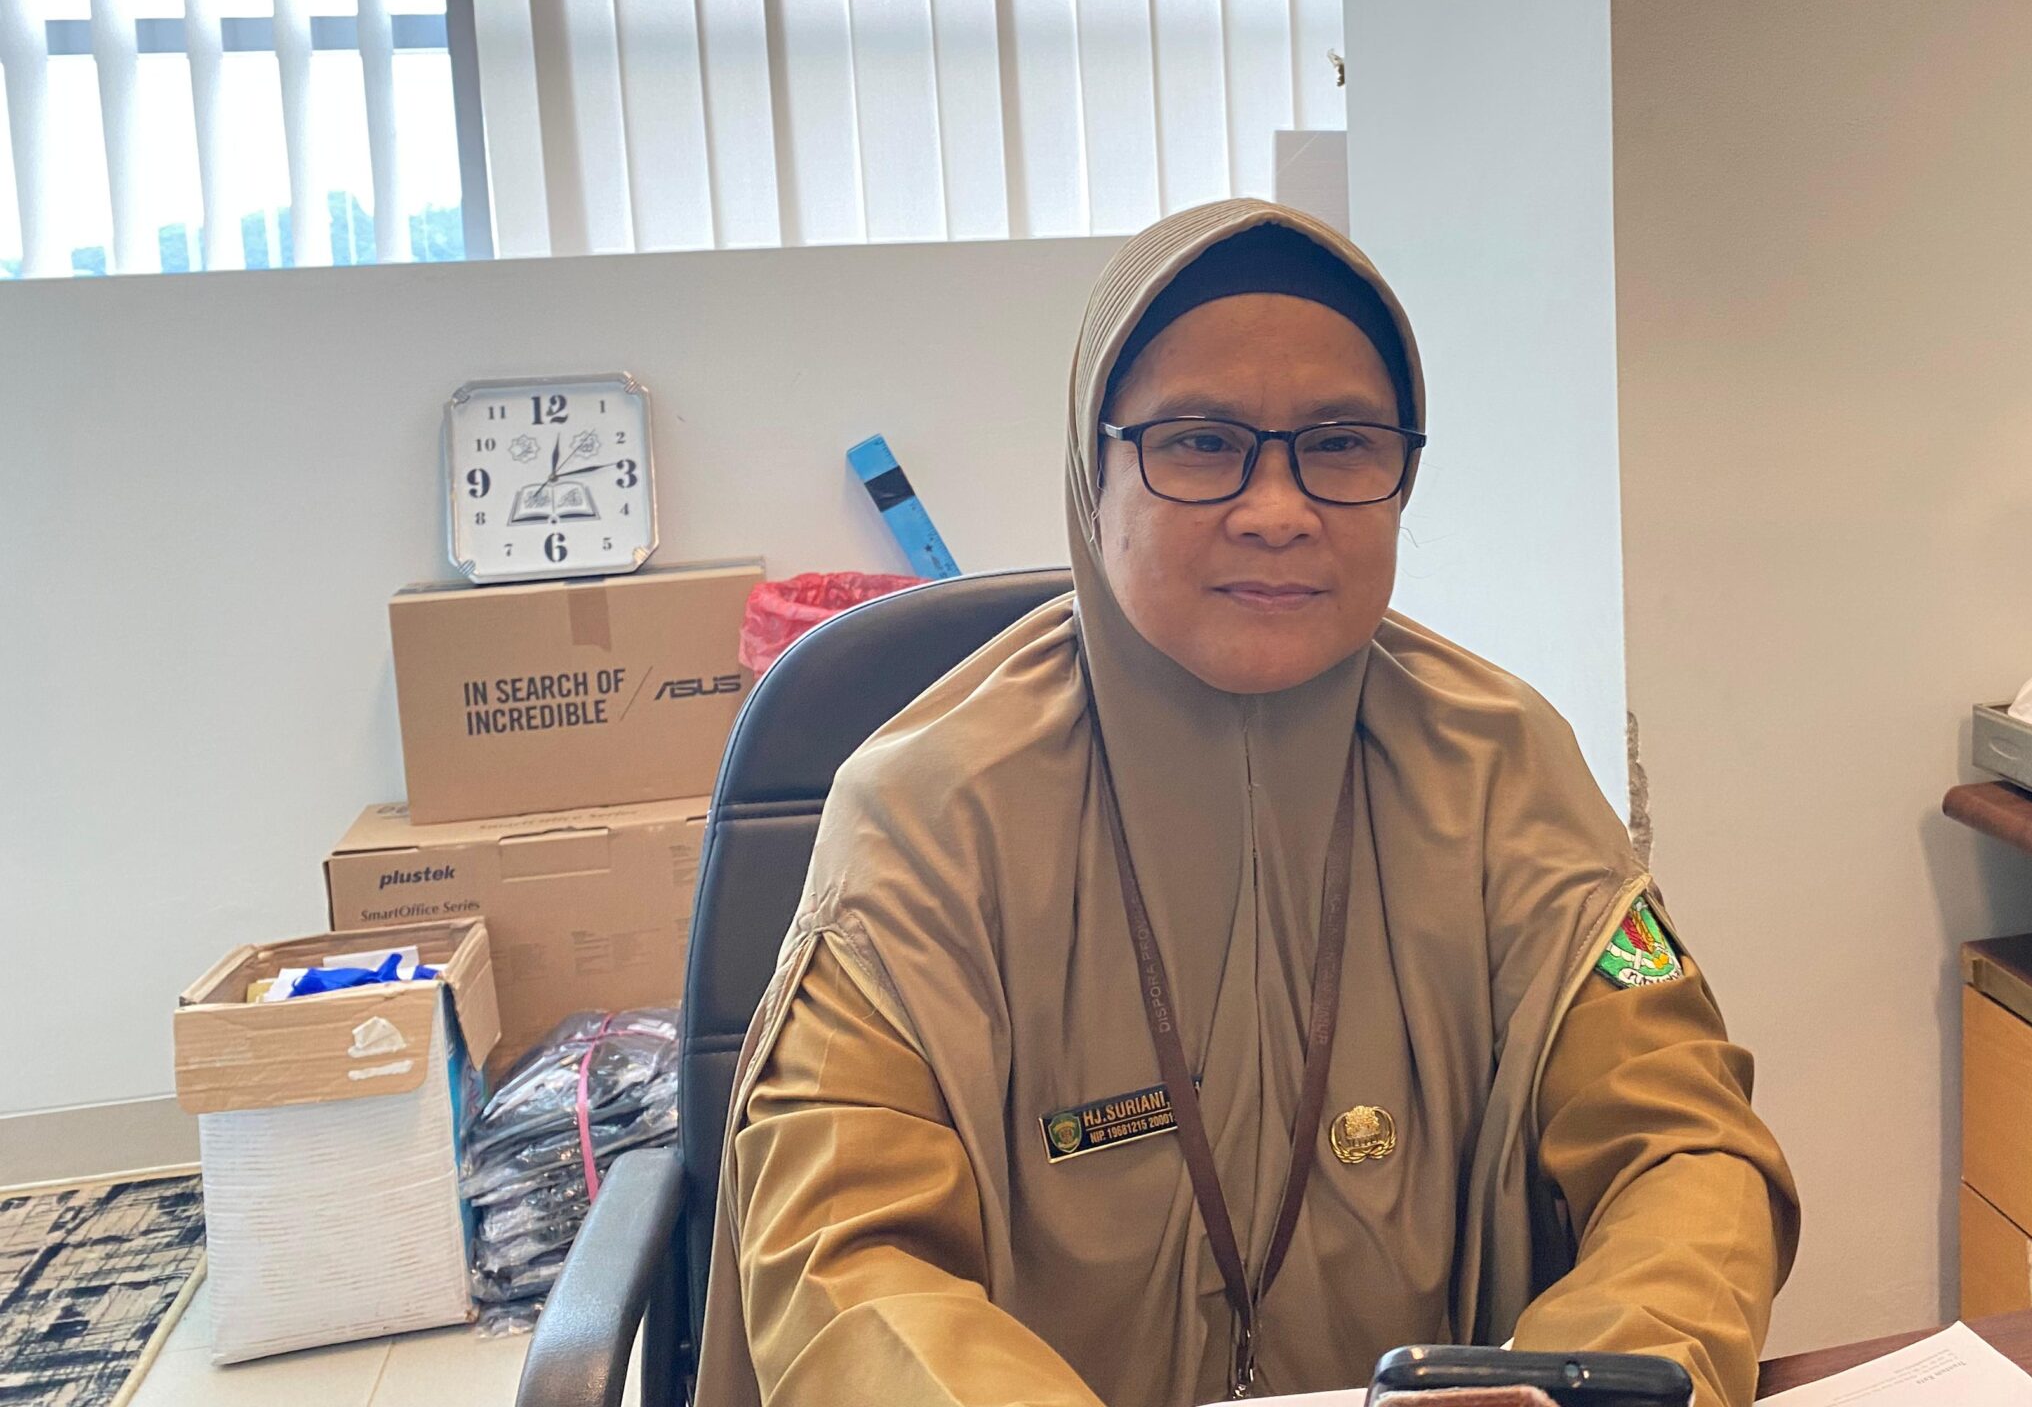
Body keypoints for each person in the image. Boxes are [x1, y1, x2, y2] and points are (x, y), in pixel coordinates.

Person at [693, 200, 1798, 1407]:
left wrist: (1571, 1382)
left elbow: (1682, 1144)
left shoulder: (1501, 769)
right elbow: (842, 1254)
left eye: (1342, 443)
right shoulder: (931, 811)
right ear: (1094, 474)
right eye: (1201, 442)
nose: (1278, 510)